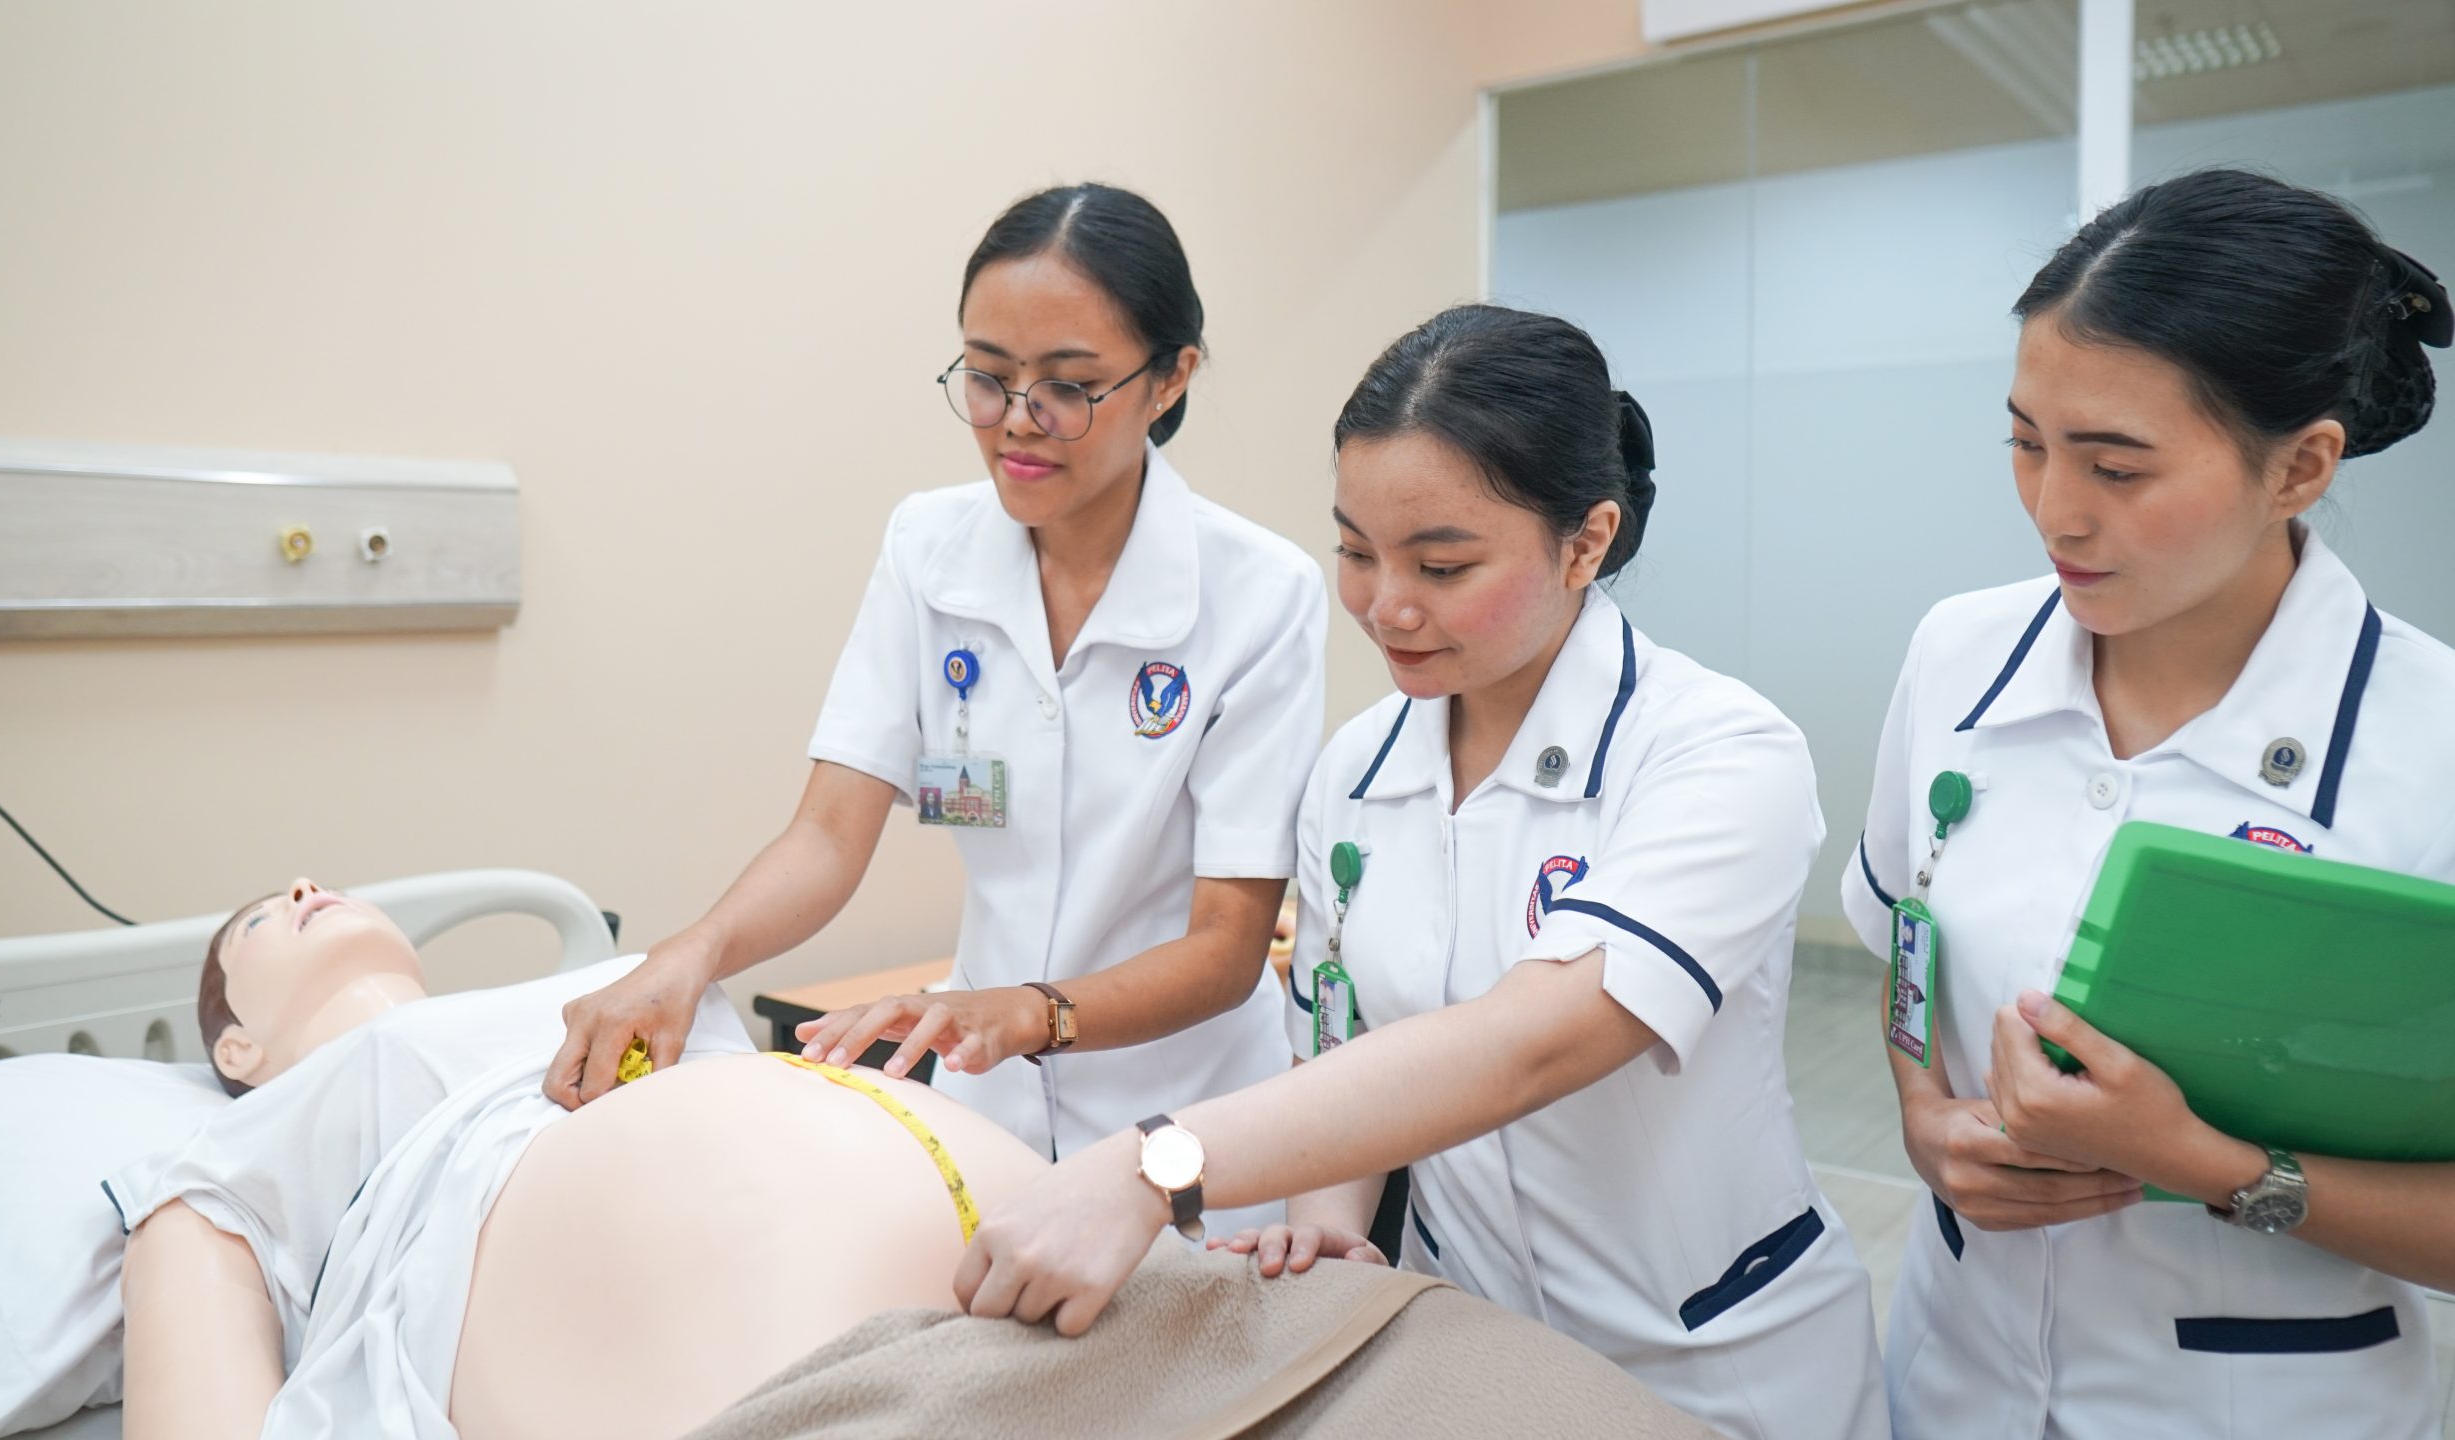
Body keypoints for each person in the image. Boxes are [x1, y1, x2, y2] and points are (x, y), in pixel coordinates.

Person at [952, 305, 1887, 1440]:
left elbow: (1530, 1040)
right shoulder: (1355, 772)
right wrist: (1328, 1213)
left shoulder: (1717, 754)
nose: (1385, 605)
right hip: (1469, 1354)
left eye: (1441, 565)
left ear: (1585, 542)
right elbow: (1343, 1036)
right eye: (1354, 551)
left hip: (1708, 1362)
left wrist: (1155, 1164)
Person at [548, 185, 1321, 1222]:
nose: (1017, 425)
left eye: (1069, 387)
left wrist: (1026, 1012)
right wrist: (685, 955)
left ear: (1170, 377)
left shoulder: (1259, 595)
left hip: (1191, 1118)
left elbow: (1227, 949)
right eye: (989, 380)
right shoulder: (929, 549)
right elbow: (828, 834)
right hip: (984, 1107)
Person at [1841, 168, 2455, 1438]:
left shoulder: (2430, 748)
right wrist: (1920, 1118)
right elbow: (1909, 938)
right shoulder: (1957, 658)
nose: (2055, 510)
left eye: (2116, 465)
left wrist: (2211, 1169)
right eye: (2026, 441)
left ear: (2300, 468)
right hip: (1955, 1379)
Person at [116, 879, 1049, 1439]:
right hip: (771, 1339)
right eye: (261, 922)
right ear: (235, 1053)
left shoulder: (605, 994)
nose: (306, 887)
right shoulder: (229, 1159)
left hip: (1050, 1245)